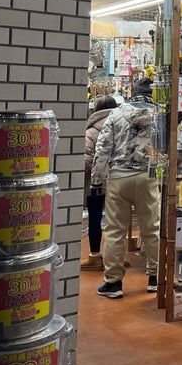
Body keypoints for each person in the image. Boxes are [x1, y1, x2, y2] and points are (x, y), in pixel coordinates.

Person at [91, 77, 160, 298]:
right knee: (152, 229)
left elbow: (103, 148)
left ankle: (113, 282)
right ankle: (156, 277)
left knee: (115, 231)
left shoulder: (116, 114)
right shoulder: (158, 116)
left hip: (118, 178)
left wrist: (97, 180)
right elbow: (165, 148)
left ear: (133, 93)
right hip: (148, 176)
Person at [81, 95, 118, 271]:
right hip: (117, 181)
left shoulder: (90, 132)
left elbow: (86, 161)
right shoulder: (122, 127)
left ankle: (95, 256)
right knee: (115, 222)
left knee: (95, 219)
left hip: (95, 184)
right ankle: (115, 258)